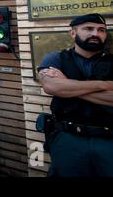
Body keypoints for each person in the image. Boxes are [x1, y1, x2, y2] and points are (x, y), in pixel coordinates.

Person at [38, 13, 113, 177]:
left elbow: (60, 88)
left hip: (109, 141)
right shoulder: (55, 58)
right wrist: (104, 85)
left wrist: (68, 86)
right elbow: (51, 86)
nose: (95, 34)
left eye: (101, 30)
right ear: (73, 33)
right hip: (68, 140)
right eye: (88, 29)